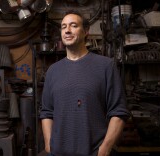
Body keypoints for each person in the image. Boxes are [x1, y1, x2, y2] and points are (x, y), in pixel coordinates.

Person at [40, 10, 131, 156]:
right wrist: (49, 144)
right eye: (63, 27)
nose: (67, 31)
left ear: (86, 31)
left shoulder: (106, 66)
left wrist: (105, 149)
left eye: (73, 25)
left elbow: (119, 112)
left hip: (94, 153)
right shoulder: (53, 71)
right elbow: (46, 113)